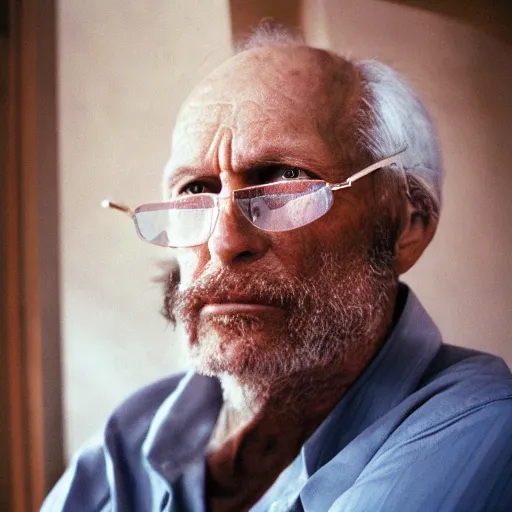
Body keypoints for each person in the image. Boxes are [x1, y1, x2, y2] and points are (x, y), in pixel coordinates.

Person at [42, 24, 512, 512]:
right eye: (195, 189)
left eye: (286, 178)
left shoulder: (483, 423)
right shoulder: (133, 434)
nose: (224, 242)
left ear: (406, 222)